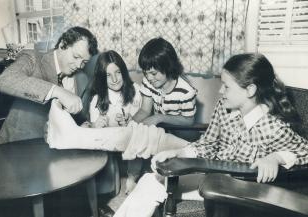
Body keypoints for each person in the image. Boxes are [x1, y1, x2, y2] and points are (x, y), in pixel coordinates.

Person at [113, 53, 308, 217]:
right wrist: (179, 153)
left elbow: (305, 150)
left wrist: (276, 158)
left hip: (239, 192)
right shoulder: (225, 108)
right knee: (150, 180)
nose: (220, 90)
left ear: (250, 90)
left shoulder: (272, 127)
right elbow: (209, 143)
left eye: (226, 86)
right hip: (213, 177)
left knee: (154, 184)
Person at [0, 26, 98, 145]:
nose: (79, 65)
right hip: (16, 148)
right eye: (76, 57)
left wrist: (84, 126)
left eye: (84, 62)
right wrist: (57, 91)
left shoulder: (82, 79)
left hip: (57, 149)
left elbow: (77, 117)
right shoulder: (33, 59)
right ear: (62, 45)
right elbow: (5, 80)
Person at [127, 37, 198, 193]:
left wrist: (159, 117)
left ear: (168, 67)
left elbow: (189, 121)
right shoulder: (149, 82)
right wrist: (130, 124)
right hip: (161, 132)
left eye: (153, 73)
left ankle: (161, 186)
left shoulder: (186, 91)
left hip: (182, 135)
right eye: (146, 73)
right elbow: (145, 110)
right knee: (139, 133)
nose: (149, 78)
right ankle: (132, 178)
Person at [82, 50, 142, 128]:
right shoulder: (96, 100)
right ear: (102, 78)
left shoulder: (137, 90)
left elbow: (146, 117)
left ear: (123, 71)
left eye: (118, 72)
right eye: (108, 75)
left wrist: (131, 121)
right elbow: (93, 131)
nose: (114, 80)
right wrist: (95, 126)